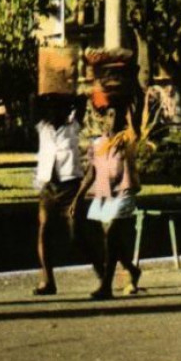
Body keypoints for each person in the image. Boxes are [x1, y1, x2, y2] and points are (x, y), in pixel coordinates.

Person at [74, 105, 142, 299]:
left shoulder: (127, 139)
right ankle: (131, 269)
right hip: (105, 194)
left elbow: (134, 130)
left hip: (124, 191)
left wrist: (129, 108)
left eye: (117, 114)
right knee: (109, 239)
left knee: (111, 234)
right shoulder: (98, 144)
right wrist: (79, 196)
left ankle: (106, 285)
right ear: (103, 119)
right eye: (110, 115)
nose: (114, 118)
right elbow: (91, 172)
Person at [31, 95, 84, 296]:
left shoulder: (73, 126)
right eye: (50, 108)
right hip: (48, 186)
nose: (53, 113)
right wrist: (46, 91)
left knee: (76, 234)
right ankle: (48, 280)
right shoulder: (43, 128)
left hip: (70, 186)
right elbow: (33, 103)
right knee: (44, 231)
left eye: (58, 108)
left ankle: (102, 271)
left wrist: (66, 90)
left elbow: (81, 102)